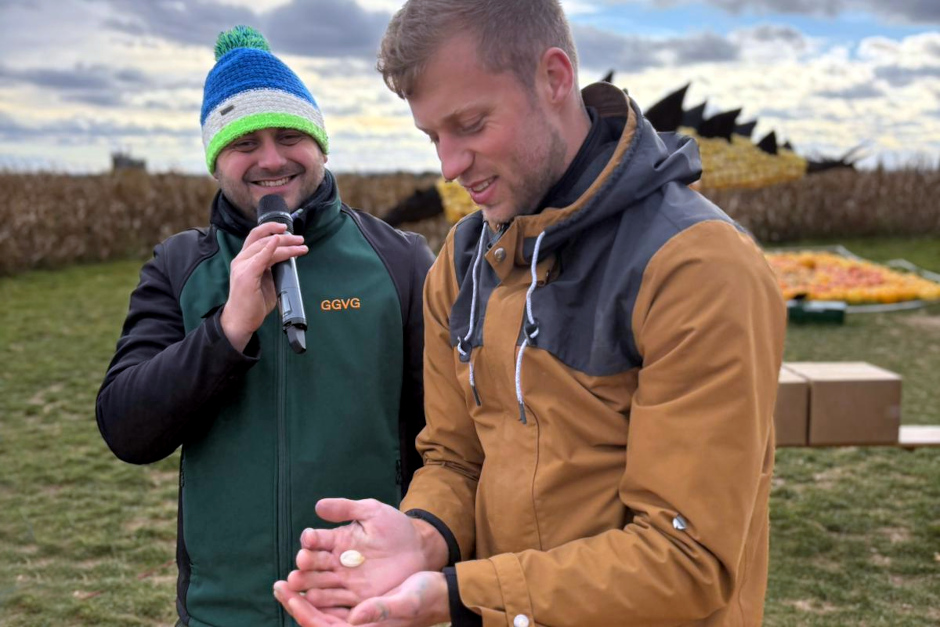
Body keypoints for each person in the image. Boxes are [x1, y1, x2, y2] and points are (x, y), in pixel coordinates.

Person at [274, 1, 786, 625]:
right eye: (434, 136)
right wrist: (423, 534)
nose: (450, 165)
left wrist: (457, 596)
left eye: (471, 124)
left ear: (554, 78)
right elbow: (456, 459)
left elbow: (687, 558)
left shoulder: (697, 268)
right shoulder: (463, 262)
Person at [96, 25, 434, 627]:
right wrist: (229, 328)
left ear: (321, 146)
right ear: (216, 160)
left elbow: (448, 445)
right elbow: (127, 429)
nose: (272, 159)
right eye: (245, 142)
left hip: (366, 605)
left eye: (289, 136)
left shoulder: (400, 261)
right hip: (222, 610)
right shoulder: (178, 266)